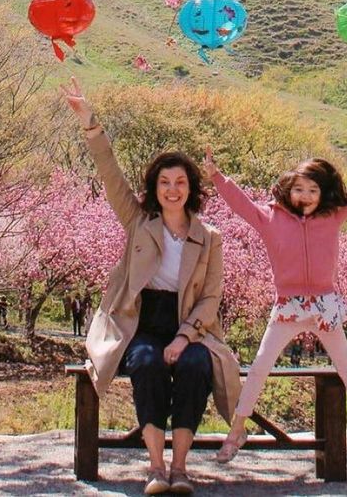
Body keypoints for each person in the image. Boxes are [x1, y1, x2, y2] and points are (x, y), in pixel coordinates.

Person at [65, 77, 240, 497]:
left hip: (191, 327)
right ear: (154, 187)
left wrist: (184, 337)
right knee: (146, 364)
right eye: (164, 182)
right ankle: (156, 468)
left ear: (191, 188)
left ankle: (180, 469)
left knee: (196, 367)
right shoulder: (139, 223)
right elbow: (110, 174)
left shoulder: (209, 238)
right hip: (141, 322)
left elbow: (210, 298)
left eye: (180, 182)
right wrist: (90, 124)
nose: (172, 190)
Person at [204, 146, 347, 460]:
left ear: (323, 194)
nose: (306, 196)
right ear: (288, 189)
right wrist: (217, 176)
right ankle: (236, 432)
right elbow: (241, 203)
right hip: (288, 306)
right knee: (260, 367)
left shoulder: (332, 215)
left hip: (324, 305)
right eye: (299, 189)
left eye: (313, 190)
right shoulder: (269, 217)